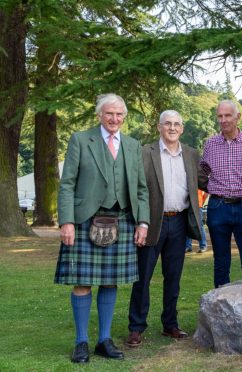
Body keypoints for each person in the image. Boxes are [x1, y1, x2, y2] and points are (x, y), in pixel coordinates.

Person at [54, 93, 149, 363]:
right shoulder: (81, 140)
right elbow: (68, 184)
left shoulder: (132, 145)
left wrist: (143, 221)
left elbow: (141, 189)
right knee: (82, 281)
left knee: (111, 281)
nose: (114, 119)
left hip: (121, 220)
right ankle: (81, 342)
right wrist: (67, 221)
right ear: (99, 115)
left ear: (124, 117)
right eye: (109, 113)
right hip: (85, 219)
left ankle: (103, 340)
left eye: (119, 114)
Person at [125, 110, 207, 347]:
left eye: (176, 124)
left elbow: (205, 181)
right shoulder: (145, 153)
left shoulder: (192, 155)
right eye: (167, 124)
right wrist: (139, 221)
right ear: (159, 127)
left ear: (182, 128)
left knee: (173, 277)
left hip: (179, 222)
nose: (172, 128)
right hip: (151, 223)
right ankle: (136, 327)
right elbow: (136, 189)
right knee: (143, 276)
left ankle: (170, 324)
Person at [200, 100, 242, 288]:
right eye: (220, 116)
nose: (223, 120)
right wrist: (212, 188)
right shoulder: (211, 144)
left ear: (238, 117)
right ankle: (221, 310)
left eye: (227, 115)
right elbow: (202, 172)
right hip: (217, 207)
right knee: (221, 263)